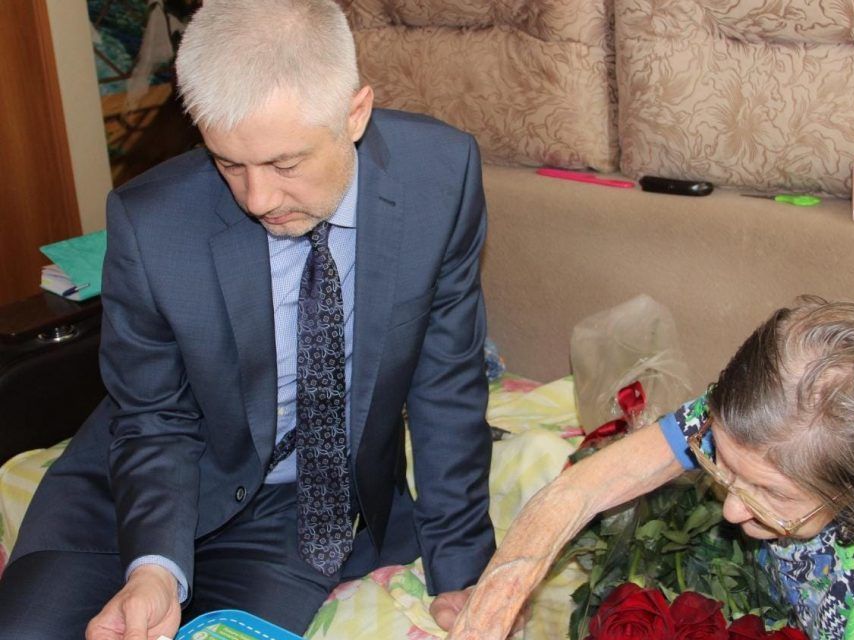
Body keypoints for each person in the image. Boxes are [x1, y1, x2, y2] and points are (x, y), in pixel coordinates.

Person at [0, 1, 495, 638]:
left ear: (355, 114)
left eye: (285, 164)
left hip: (297, 510)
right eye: (229, 163)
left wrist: (463, 577)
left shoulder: (440, 177)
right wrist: (153, 568)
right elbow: (155, 417)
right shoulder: (151, 221)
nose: (258, 199)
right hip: (127, 498)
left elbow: (446, 387)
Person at [449, 296, 854, 639]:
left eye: (770, 493)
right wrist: (498, 596)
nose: (732, 510)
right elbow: (583, 488)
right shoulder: (769, 413)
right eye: (724, 466)